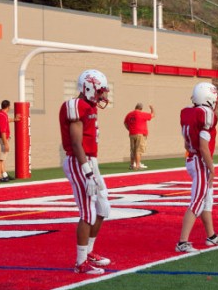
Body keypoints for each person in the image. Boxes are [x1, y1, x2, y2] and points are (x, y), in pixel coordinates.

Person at [60, 69, 112, 274]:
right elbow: (75, 141)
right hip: (79, 161)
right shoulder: (76, 106)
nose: (102, 96)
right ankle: (80, 263)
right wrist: (87, 171)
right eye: (100, 91)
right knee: (88, 213)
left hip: (91, 161)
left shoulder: (89, 106)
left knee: (103, 208)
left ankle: (89, 252)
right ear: (89, 87)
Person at [176, 82, 218, 252]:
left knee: (206, 200)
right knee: (198, 201)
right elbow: (204, 145)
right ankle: (182, 242)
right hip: (199, 161)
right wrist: (211, 167)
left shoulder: (188, 112)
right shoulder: (206, 114)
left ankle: (211, 236)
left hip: (192, 158)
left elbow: (186, 142)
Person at [124, 102, 155, 170]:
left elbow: (125, 123)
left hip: (132, 134)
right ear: (141, 108)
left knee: (132, 150)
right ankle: (137, 165)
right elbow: (152, 115)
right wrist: (152, 108)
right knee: (139, 150)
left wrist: (129, 129)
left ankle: (132, 164)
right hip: (140, 134)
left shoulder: (129, 114)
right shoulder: (141, 114)